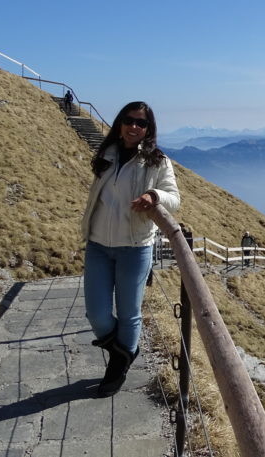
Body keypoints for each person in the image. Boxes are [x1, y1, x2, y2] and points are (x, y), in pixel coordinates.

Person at [81, 101, 180, 397]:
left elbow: (175, 198)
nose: (134, 127)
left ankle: (117, 367)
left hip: (134, 247)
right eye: (129, 120)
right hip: (97, 243)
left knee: (129, 313)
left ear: (149, 129)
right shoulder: (107, 154)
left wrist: (154, 195)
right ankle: (125, 352)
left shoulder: (157, 161)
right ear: (120, 123)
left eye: (141, 123)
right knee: (96, 314)